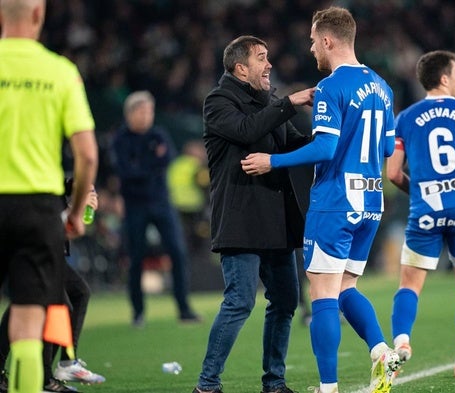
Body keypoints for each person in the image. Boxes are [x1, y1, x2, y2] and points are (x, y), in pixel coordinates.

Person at [241, 7, 400, 393]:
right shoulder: (382, 86)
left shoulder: (331, 87)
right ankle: (381, 350)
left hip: (335, 202)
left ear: (328, 40)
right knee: (346, 288)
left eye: (314, 40)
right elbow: (384, 147)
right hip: (371, 201)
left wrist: (272, 161)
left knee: (323, 294)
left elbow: (326, 148)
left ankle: (328, 388)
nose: (312, 48)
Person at [192, 35, 315, 393]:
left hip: (276, 220)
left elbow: (292, 144)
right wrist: (289, 103)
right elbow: (246, 130)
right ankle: (207, 384)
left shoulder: (270, 102)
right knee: (240, 301)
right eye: (262, 58)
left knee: (287, 301)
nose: (270, 64)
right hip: (241, 218)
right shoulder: (219, 101)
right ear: (240, 68)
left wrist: (331, 137)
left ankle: (274, 383)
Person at [0, 0, 98, 392]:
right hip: (36, 208)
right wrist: (74, 213)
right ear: (38, 15)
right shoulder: (60, 72)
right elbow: (87, 155)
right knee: (29, 314)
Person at [385, 50, 455, 378]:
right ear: (444, 78)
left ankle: (402, 343)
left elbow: (393, 174)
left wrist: (423, 189)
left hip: (425, 210)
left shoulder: (404, 118)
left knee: (409, 283)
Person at [0, 184, 105, 393]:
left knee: (75, 294)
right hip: (30, 236)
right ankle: (45, 378)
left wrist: (75, 187)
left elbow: (54, 187)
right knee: (47, 305)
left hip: (38, 237)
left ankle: (63, 366)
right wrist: (75, 207)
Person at [111, 90, 200, 326]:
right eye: (142, 111)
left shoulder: (159, 134)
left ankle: (184, 308)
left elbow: (165, 161)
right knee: (135, 258)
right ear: (130, 113)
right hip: (135, 205)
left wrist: (140, 166)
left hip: (161, 202)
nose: (146, 116)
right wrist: (149, 164)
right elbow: (126, 172)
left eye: (149, 111)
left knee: (177, 252)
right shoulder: (121, 139)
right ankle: (138, 312)